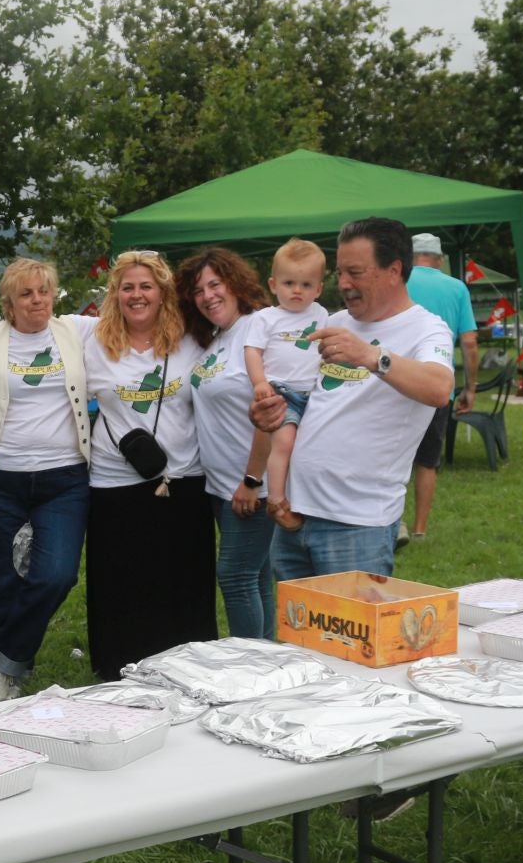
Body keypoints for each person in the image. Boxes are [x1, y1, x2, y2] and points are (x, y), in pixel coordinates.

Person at [255, 217, 455, 579]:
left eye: (356, 273)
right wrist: (274, 412)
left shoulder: (427, 328)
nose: (343, 284)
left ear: (393, 270)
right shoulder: (336, 321)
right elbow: (304, 397)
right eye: (340, 273)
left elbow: (439, 388)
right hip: (294, 516)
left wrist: (371, 356)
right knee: (294, 637)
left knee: (349, 637)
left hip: (356, 525)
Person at [75, 248, 214, 681]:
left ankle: (186, 669)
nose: (136, 295)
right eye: (127, 287)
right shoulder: (91, 340)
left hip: (183, 480)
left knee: (183, 581)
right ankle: (118, 669)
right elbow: (25, 327)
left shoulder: (192, 339)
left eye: (146, 286)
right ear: (115, 293)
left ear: (163, 291)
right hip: (114, 484)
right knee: (121, 583)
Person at [0, 258, 92, 701]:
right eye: (26, 293)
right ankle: (10, 675)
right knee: (0, 580)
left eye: (44, 291)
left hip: (65, 476)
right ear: (9, 302)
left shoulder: (76, 331)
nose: (37, 300)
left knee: (57, 575)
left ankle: (2, 651)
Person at [181, 247, 273, 638]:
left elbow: (272, 412)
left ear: (235, 284)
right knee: (257, 578)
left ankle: (248, 669)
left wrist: (252, 480)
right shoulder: (219, 338)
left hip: (252, 485)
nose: (208, 296)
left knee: (235, 578)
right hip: (220, 486)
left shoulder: (258, 329)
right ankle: (270, 662)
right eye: (199, 290)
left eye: (215, 284)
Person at [240, 238, 332, 532]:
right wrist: (259, 383)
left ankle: (301, 498)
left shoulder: (321, 315)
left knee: (307, 449)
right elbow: (252, 351)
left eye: (306, 285)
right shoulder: (266, 318)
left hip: (315, 394)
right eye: (289, 282)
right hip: (281, 392)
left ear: (318, 289)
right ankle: (276, 501)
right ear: (273, 284)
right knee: (284, 443)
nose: (297, 290)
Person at [402, 233, 479, 547]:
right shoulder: (456, 287)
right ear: (439, 258)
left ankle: (393, 522)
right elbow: (470, 343)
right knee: (427, 461)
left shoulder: (398, 281)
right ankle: (420, 529)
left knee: (391, 458)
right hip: (437, 385)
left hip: (395, 380)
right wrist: (470, 388)